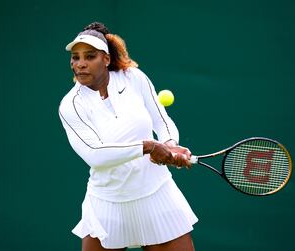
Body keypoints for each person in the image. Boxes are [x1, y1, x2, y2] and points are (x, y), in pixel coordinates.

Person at [59, 21, 198, 251]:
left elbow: (162, 121)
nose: (80, 64)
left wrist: (170, 145)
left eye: (90, 56)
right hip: (107, 204)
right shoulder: (70, 106)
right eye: (75, 57)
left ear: (106, 58)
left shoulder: (133, 78)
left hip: (156, 194)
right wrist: (150, 147)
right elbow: (96, 155)